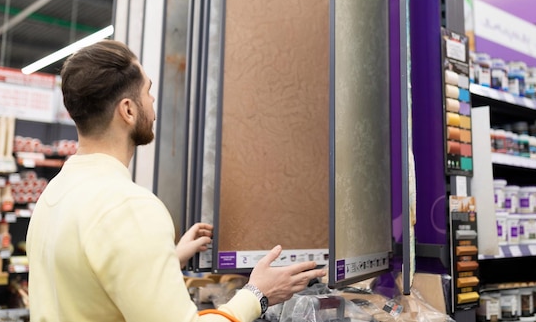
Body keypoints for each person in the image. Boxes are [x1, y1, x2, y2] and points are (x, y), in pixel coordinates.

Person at [26, 40, 326, 322]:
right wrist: (258, 294)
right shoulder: (128, 207)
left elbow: (88, 281)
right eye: (148, 90)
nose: (153, 100)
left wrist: (168, 257)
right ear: (128, 110)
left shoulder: (55, 195)